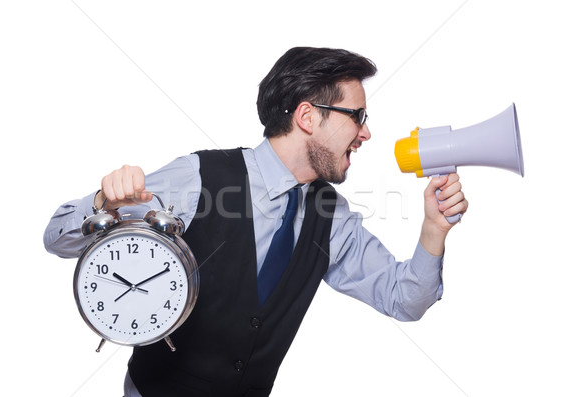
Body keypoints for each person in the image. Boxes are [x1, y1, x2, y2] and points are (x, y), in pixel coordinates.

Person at [44, 47, 468, 397]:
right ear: (307, 117)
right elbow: (57, 236)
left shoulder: (333, 217)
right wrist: (105, 201)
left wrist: (434, 230)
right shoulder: (199, 178)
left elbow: (404, 299)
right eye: (356, 115)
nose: (365, 133)